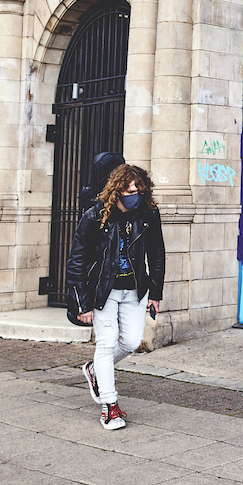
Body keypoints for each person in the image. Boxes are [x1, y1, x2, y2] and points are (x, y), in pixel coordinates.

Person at [65, 164, 165, 430]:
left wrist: (155, 293)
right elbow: (77, 260)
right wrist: (82, 303)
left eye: (139, 191)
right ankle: (109, 407)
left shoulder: (148, 214)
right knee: (106, 344)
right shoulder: (95, 216)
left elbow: (157, 253)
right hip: (103, 292)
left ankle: (95, 370)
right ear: (117, 190)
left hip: (135, 289)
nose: (135, 196)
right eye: (129, 191)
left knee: (131, 342)